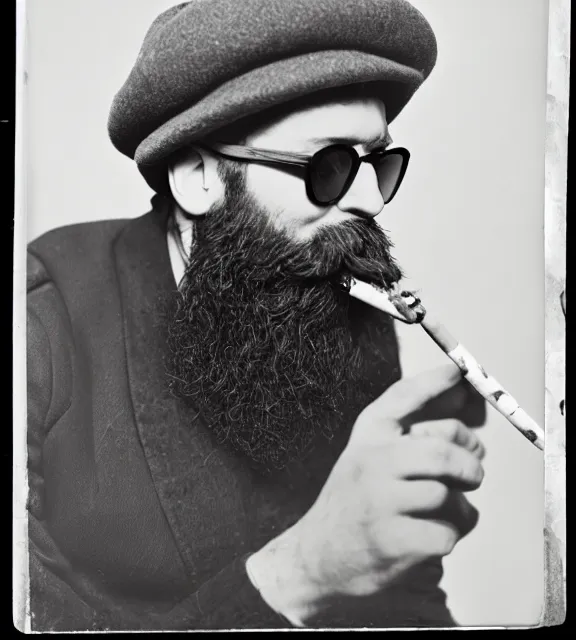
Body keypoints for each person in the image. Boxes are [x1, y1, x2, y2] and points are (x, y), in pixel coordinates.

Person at [26, 0, 487, 631]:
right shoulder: (42, 327)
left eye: (377, 163)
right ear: (197, 177)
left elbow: (403, 603)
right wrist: (303, 572)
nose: (370, 202)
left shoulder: (346, 309)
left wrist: (400, 532)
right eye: (328, 167)